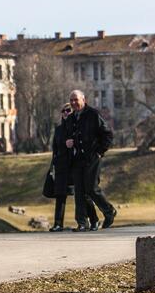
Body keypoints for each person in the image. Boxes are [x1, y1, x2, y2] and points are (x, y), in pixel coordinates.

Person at [64, 89, 117, 231]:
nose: (74, 103)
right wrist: (68, 142)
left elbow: (108, 134)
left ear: (84, 100)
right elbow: (68, 137)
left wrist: (100, 152)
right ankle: (82, 223)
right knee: (79, 192)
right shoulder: (70, 119)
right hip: (77, 159)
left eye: (76, 100)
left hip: (92, 157)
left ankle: (109, 211)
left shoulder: (93, 114)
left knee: (91, 188)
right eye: (72, 100)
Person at [49, 103, 99, 232]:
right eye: (63, 111)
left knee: (83, 194)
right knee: (60, 194)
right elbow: (55, 148)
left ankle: (93, 220)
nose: (66, 113)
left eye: (68, 110)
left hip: (76, 164)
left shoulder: (76, 127)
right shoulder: (59, 129)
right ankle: (58, 223)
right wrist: (53, 165)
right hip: (61, 165)